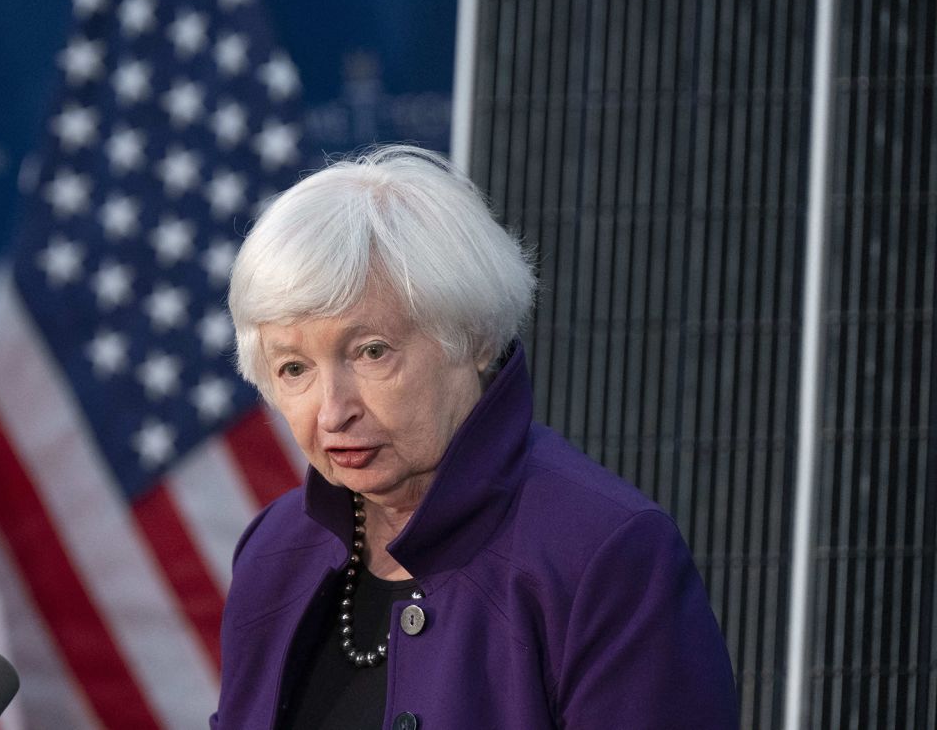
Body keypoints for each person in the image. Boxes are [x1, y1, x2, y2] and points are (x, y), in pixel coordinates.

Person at [211, 145, 738, 729]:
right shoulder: (272, 552)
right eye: (294, 368)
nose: (333, 412)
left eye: (371, 352)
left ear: (474, 337)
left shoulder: (606, 555)